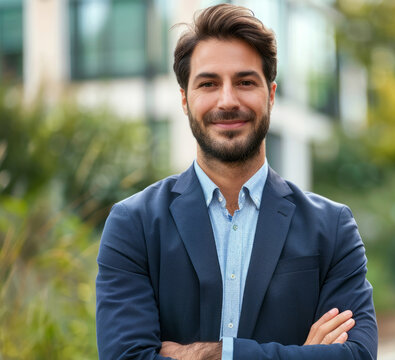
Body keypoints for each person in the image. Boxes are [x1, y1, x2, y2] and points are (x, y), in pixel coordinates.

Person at [95, 4, 378, 360]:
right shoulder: (133, 224)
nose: (227, 101)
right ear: (185, 100)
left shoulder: (332, 227)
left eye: (245, 82)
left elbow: (356, 356)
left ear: (271, 95)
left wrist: (212, 354)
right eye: (208, 84)